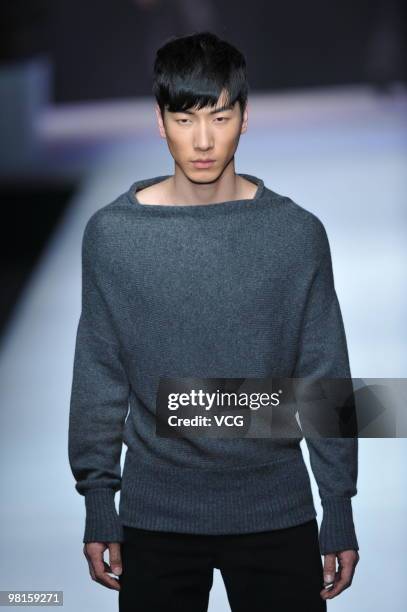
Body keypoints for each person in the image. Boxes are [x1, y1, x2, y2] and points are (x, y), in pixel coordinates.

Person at [68, 31, 360, 611]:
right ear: (160, 121)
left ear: (245, 118)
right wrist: (98, 498)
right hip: (156, 519)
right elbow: (100, 372)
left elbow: (323, 376)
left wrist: (339, 508)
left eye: (220, 116)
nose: (203, 140)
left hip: (277, 510)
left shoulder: (296, 234)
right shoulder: (114, 236)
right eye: (184, 118)